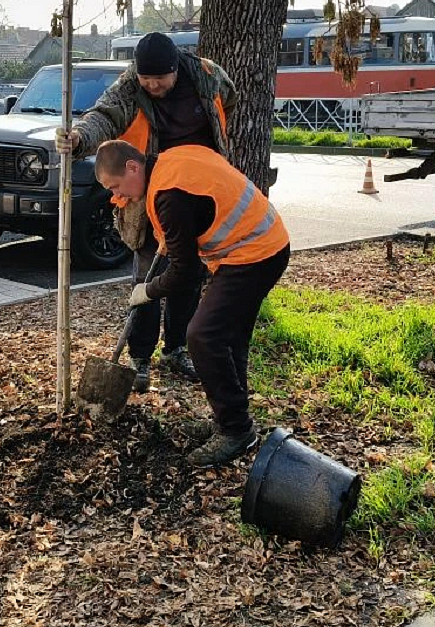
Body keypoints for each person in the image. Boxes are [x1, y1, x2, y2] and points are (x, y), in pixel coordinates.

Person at [56, 32, 239, 394]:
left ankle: (176, 348)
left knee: (189, 273)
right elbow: (105, 116)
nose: (153, 85)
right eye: (146, 79)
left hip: (199, 193)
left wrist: (213, 148)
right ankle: (140, 356)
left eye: (161, 79)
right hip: (148, 191)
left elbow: (230, 100)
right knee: (146, 276)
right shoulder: (130, 86)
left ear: (175, 70)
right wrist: (78, 139)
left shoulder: (207, 75)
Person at [94, 139, 291, 468]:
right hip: (265, 242)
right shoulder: (169, 161)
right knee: (229, 336)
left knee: (202, 335)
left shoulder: (167, 195)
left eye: (117, 187)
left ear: (132, 167)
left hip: (254, 253)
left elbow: (185, 273)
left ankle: (235, 430)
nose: (120, 198)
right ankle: (231, 418)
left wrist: (149, 290)